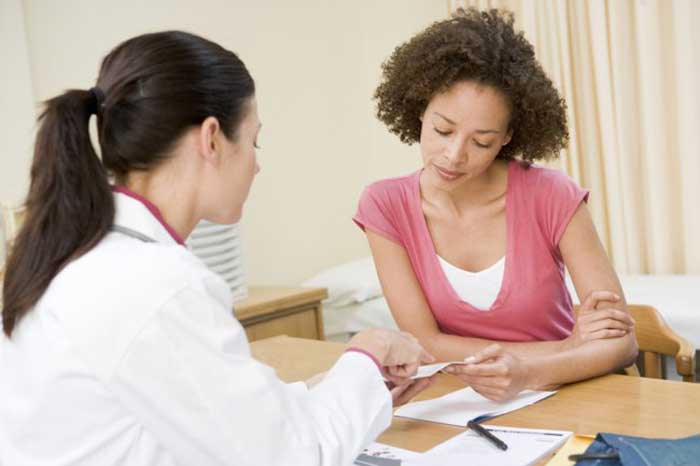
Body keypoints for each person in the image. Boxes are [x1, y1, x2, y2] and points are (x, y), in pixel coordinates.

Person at [0, 31, 435, 466]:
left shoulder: (83, 254)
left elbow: (218, 417)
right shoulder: (157, 285)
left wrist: (340, 385)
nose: (257, 162)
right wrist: (368, 351)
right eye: (252, 141)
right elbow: (294, 456)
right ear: (211, 138)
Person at [353, 8, 639, 402]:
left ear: (507, 137)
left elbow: (622, 344)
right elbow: (424, 342)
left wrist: (528, 373)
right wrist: (567, 348)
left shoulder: (552, 195)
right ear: (419, 109)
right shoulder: (384, 205)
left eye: (481, 141)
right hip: (466, 403)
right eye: (442, 130)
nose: (454, 155)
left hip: (573, 395)